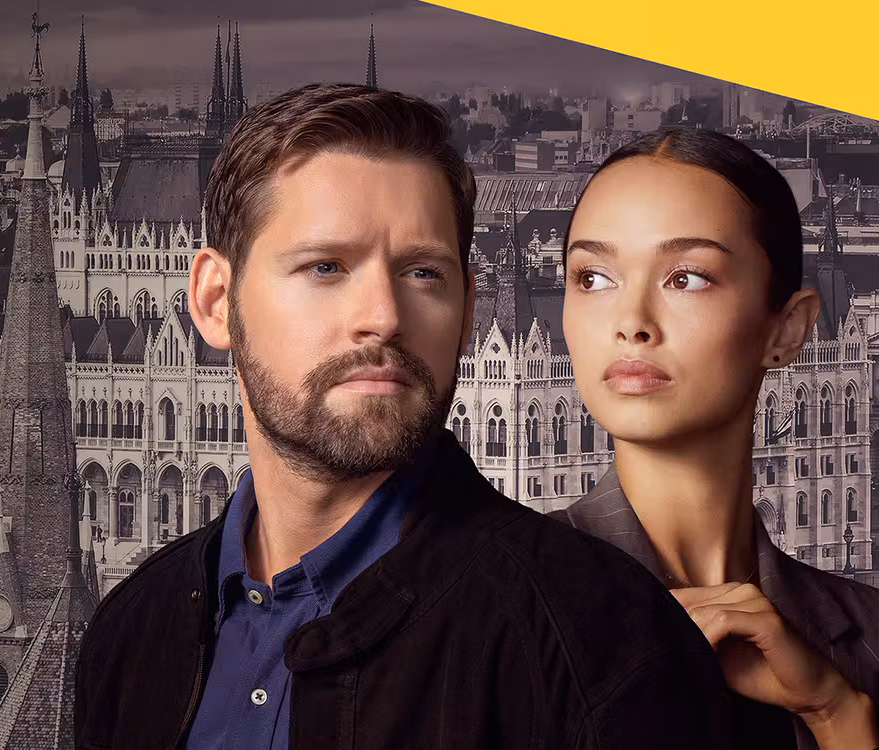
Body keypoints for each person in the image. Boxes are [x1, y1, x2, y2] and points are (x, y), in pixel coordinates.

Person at [74, 84, 740, 749]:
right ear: (216, 302)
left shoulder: (604, 647)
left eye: (422, 273)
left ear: (468, 310)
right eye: (326, 267)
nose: (384, 316)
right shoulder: (131, 635)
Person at [552, 126, 879, 750]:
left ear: (787, 331)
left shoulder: (867, 634)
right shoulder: (486, 609)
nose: (631, 323)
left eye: (687, 278)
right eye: (592, 278)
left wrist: (839, 715)